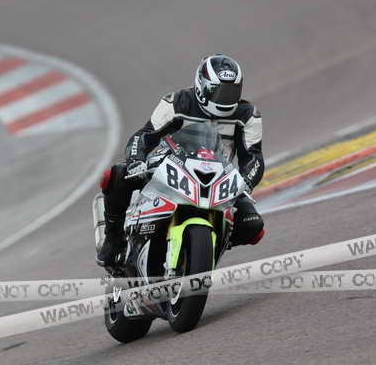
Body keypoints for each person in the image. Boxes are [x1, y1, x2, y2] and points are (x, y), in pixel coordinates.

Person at [96, 54, 266, 267]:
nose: (225, 98)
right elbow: (144, 135)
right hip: (170, 167)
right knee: (116, 175)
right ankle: (113, 237)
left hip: (218, 178)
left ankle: (209, 246)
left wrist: (245, 181)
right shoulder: (177, 102)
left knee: (253, 226)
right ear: (202, 86)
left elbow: (254, 157)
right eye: (219, 91)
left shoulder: (247, 115)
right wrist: (136, 160)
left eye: (232, 92)